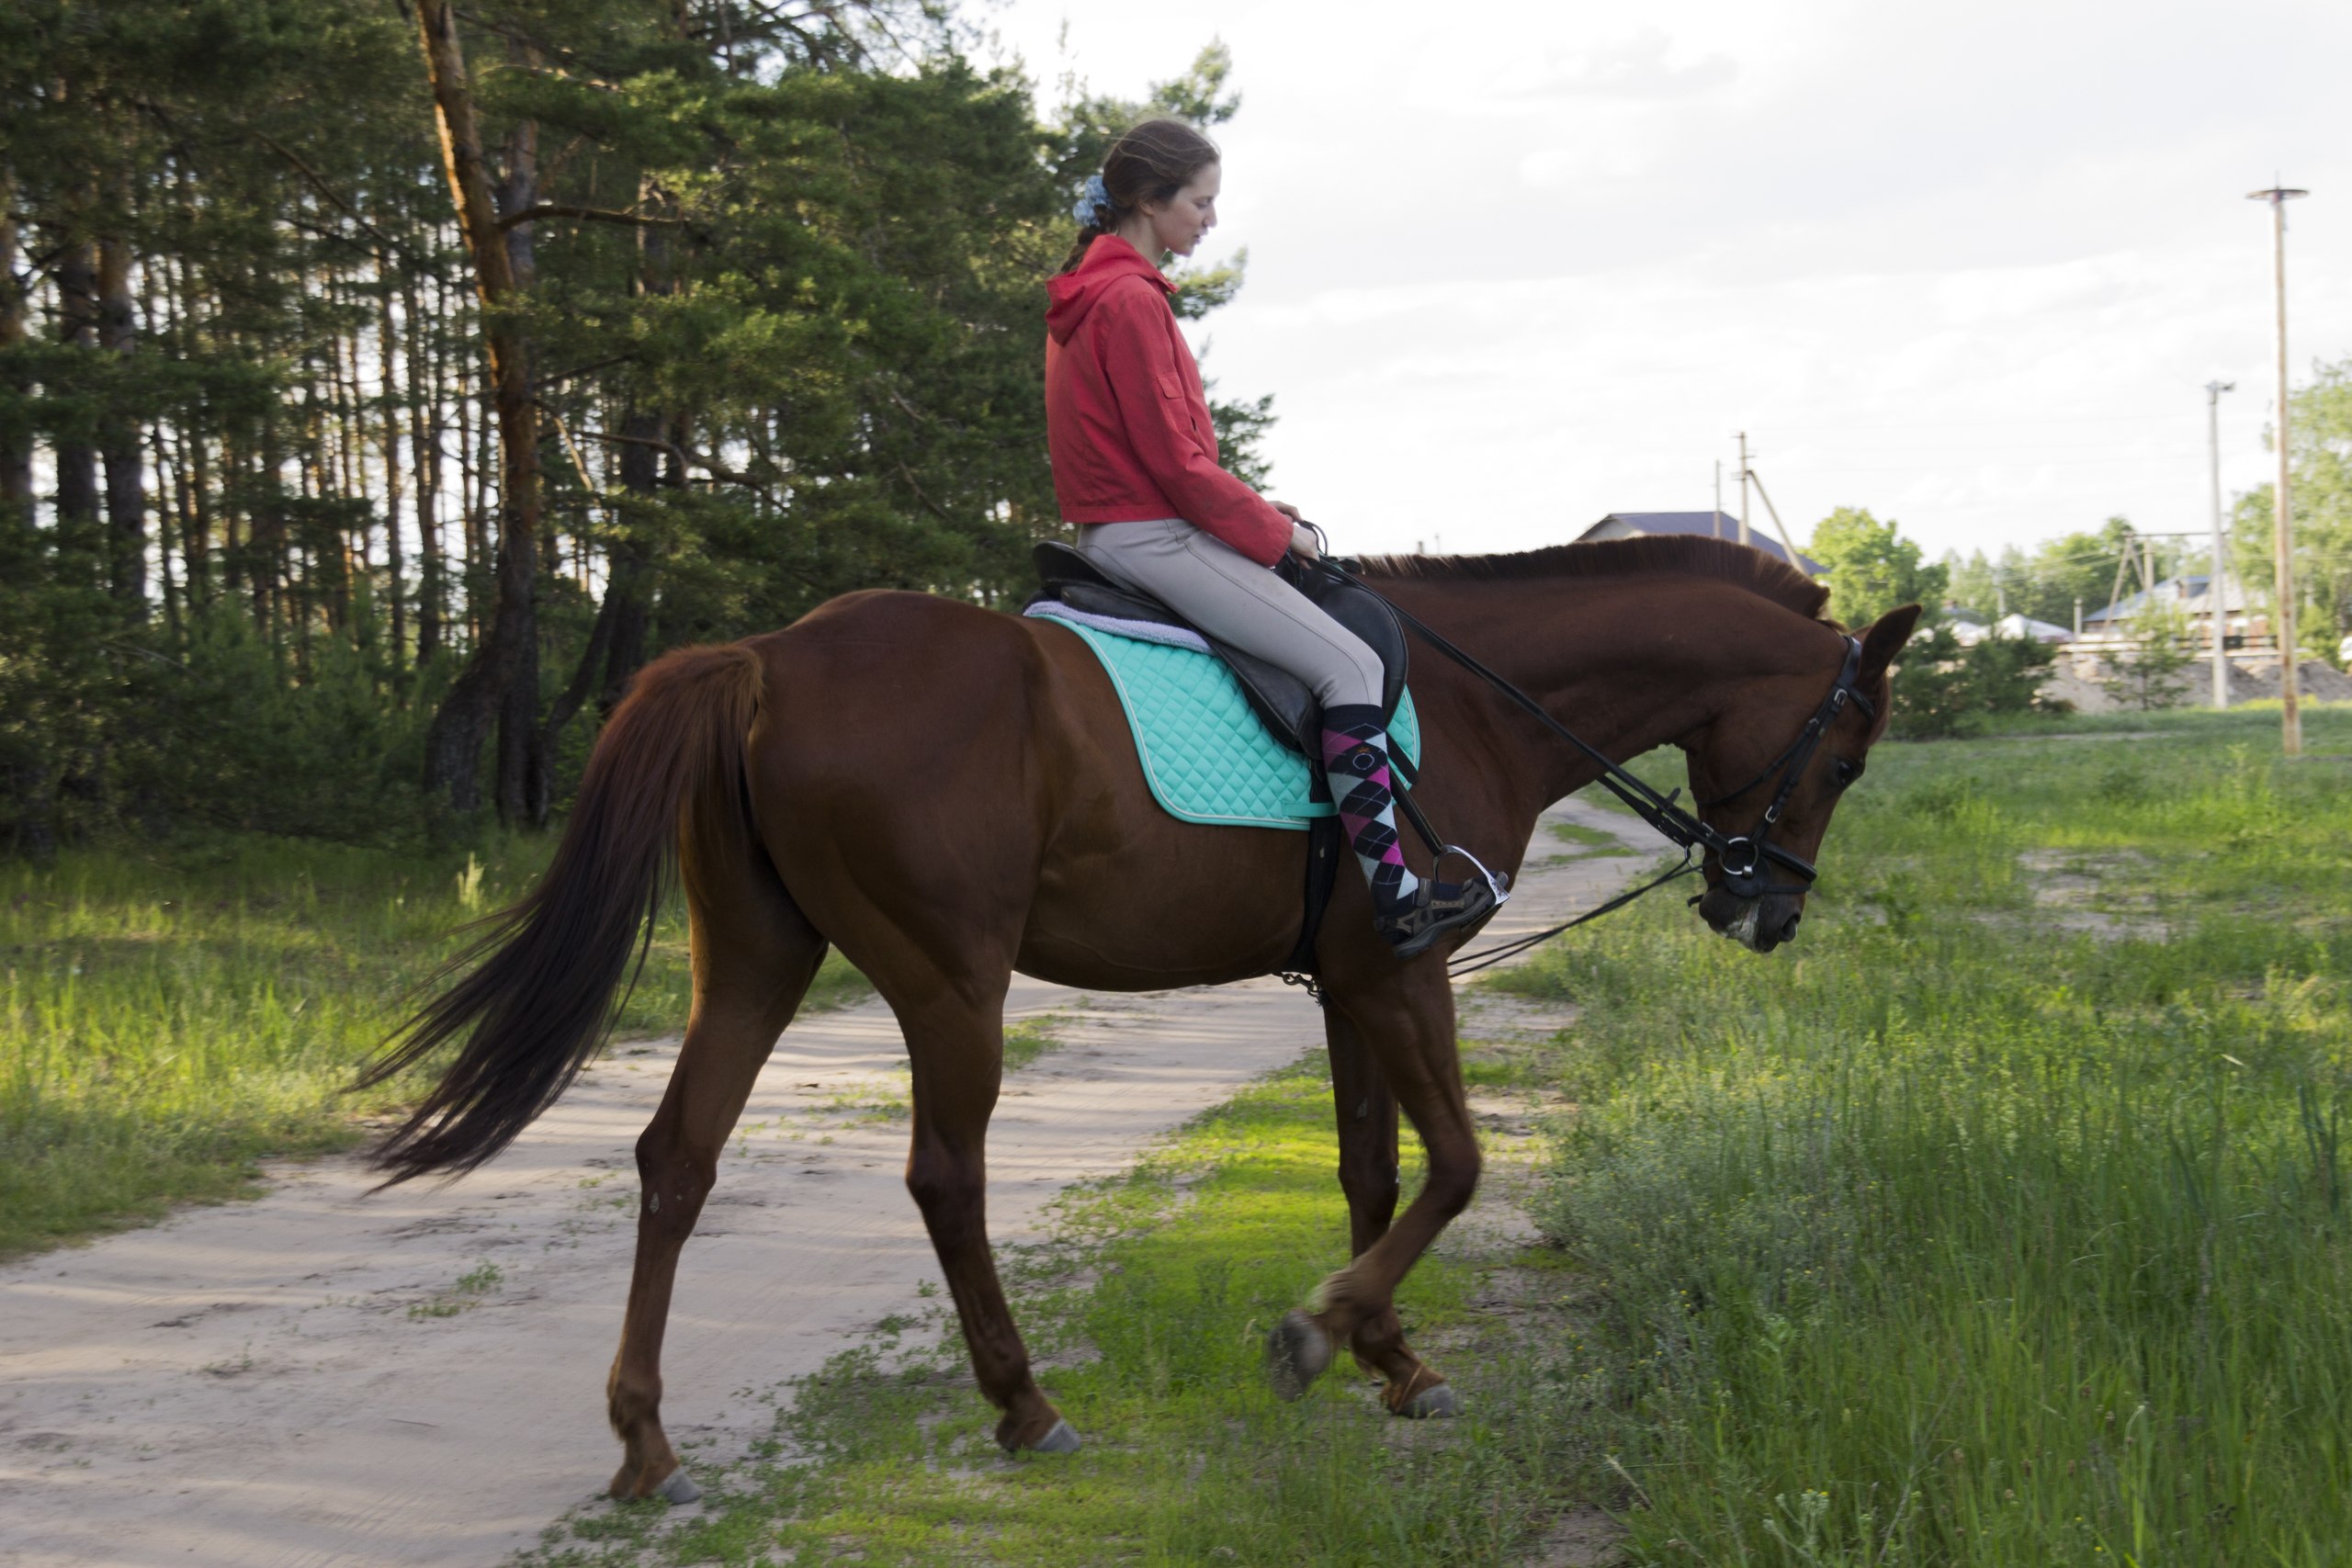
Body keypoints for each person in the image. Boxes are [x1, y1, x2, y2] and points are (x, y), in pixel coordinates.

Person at [1043, 118, 1496, 957]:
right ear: (1149, 200)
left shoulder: (1087, 294)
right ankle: (1394, 894)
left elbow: (1159, 457)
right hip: (1154, 537)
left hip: (1119, 527)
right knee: (1351, 663)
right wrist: (1277, 535)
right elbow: (1178, 468)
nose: (1210, 221)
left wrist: (1253, 505)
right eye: (1201, 203)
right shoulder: (1132, 301)